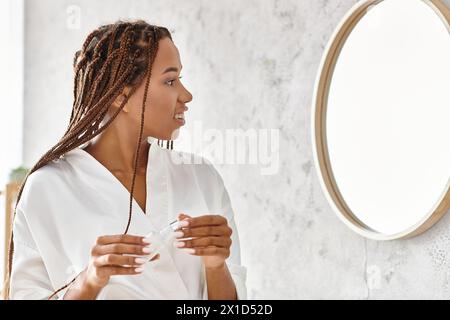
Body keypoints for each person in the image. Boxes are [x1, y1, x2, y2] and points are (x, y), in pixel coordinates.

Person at [6, 20, 247, 300]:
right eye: (170, 80)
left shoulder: (201, 177)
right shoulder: (48, 188)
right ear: (122, 96)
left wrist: (216, 265)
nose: (186, 95)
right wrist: (89, 282)